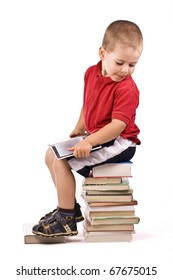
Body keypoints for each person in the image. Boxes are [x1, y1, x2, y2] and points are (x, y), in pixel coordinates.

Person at [32, 20, 143, 237]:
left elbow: (117, 126)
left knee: (63, 162)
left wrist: (89, 141)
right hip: (98, 136)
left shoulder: (127, 88)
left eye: (132, 64)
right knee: (50, 154)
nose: (125, 70)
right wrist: (80, 127)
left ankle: (66, 219)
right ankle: (71, 209)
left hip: (120, 141)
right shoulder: (91, 73)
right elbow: (88, 102)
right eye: (120, 62)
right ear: (103, 53)